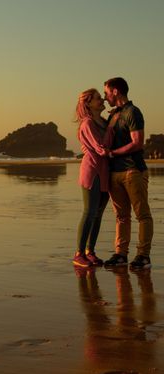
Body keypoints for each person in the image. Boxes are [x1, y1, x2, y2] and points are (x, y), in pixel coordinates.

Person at [103, 77, 153, 269]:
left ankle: (143, 255)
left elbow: (137, 142)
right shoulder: (113, 115)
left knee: (142, 215)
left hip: (133, 170)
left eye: (107, 93)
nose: (106, 97)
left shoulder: (133, 112)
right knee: (121, 216)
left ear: (116, 91)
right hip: (115, 172)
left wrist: (113, 153)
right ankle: (121, 254)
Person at [73, 89, 112, 267]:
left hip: (105, 171)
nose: (102, 99)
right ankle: (79, 254)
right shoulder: (87, 123)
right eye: (97, 98)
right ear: (88, 103)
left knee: (98, 214)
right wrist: (112, 127)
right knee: (89, 212)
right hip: (92, 171)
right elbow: (101, 147)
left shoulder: (103, 121)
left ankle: (90, 251)